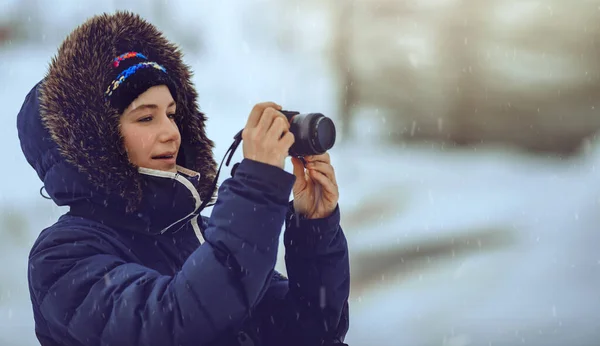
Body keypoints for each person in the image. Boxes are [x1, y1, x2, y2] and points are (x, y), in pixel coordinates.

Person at [17, 11, 350, 346]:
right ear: (95, 140)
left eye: (172, 115)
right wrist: (255, 188)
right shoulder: (62, 256)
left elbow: (307, 332)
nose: (170, 133)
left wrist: (313, 231)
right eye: (146, 117)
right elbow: (172, 325)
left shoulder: (200, 235)